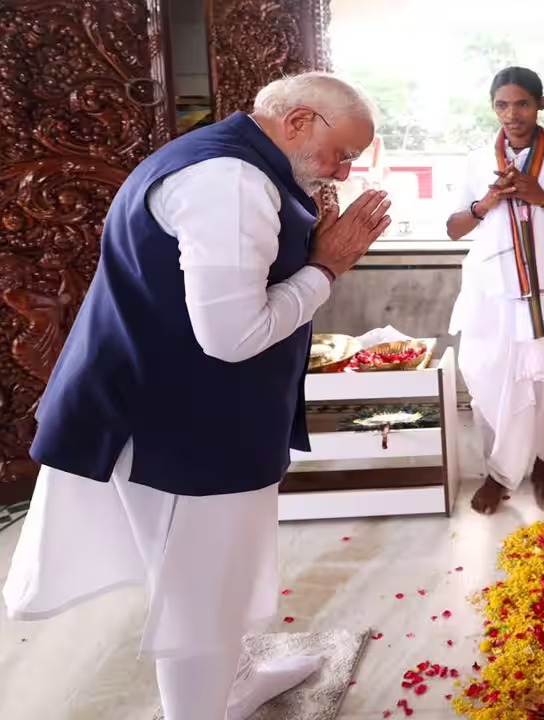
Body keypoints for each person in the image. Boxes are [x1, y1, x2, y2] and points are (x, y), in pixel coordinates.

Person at [3, 72, 391, 720]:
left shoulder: (233, 162)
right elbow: (233, 336)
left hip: (193, 411)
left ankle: (234, 681)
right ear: (299, 122)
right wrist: (327, 266)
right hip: (179, 424)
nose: (343, 172)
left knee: (217, 578)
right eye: (341, 153)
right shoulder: (230, 183)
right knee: (201, 592)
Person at [446, 66, 544, 514]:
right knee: (489, 377)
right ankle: (498, 473)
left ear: (540, 105)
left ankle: (543, 468)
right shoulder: (478, 160)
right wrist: (485, 204)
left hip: (543, 293)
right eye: (502, 105)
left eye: (522, 104)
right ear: (493, 108)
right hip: (490, 293)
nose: (511, 115)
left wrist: (542, 198)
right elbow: (454, 228)